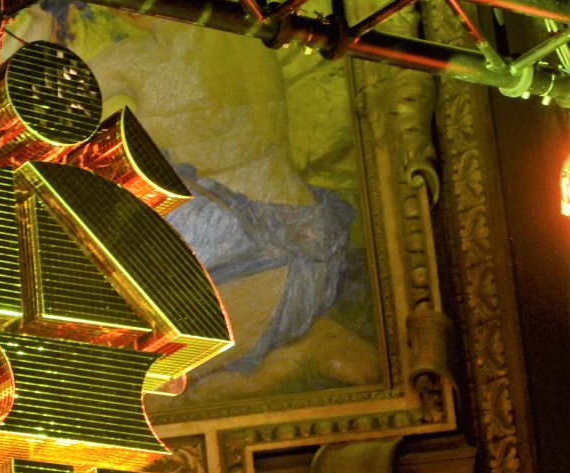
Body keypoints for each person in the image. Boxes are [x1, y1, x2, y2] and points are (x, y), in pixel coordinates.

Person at [85, 12, 382, 403]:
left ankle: (292, 358)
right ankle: (289, 358)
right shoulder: (248, 33)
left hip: (264, 263)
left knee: (137, 385)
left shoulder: (139, 59)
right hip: (296, 253)